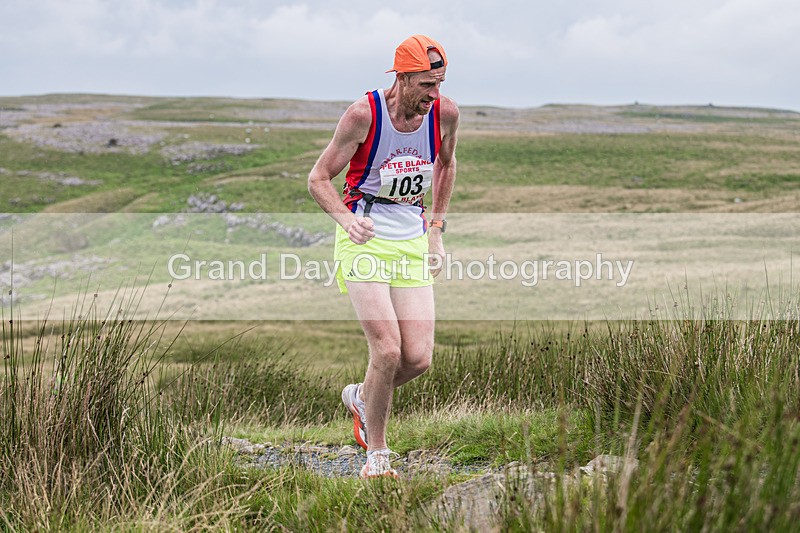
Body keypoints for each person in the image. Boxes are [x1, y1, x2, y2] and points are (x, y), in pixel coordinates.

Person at [307, 34, 459, 479]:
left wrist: (436, 230)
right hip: (364, 238)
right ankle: (377, 456)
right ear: (403, 77)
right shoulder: (363, 115)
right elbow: (318, 179)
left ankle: (360, 396)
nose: (435, 95)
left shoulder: (445, 114)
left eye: (441, 83)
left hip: (412, 236)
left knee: (418, 359)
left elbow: (447, 164)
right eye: (427, 85)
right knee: (388, 350)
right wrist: (345, 219)